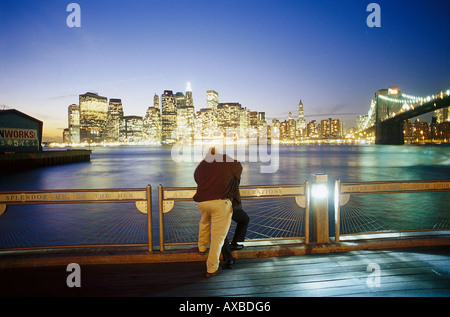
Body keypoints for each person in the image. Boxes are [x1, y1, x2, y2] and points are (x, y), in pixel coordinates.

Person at [193, 147, 242, 278]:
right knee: (218, 237)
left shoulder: (203, 164)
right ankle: (212, 267)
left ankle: (201, 248)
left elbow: (196, 177)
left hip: (202, 202)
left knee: (204, 223)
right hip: (220, 202)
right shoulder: (225, 161)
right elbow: (238, 167)